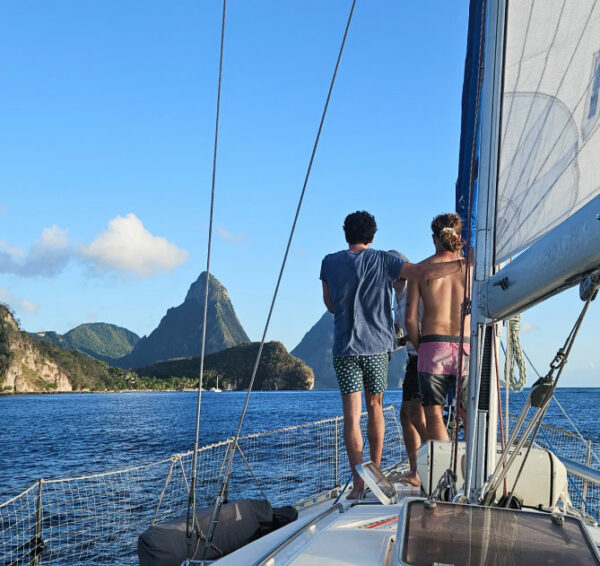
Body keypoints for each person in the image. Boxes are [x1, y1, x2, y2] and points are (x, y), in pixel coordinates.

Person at [320, 211, 466, 499]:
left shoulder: (329, 262)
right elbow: (422, 273)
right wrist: (462, 264)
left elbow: (330, 305)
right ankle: (376, 471)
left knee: (351, 416)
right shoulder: (384, 260)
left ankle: (358, 484)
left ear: (345, 234)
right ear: (372, 237)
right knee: (376, 407)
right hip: (377, 346)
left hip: (345, 348)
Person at [405, 212, 471, 444]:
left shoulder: (419, 270)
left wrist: (418, 345)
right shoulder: (471, 269)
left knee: (433, 415)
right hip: (466, 346)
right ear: (459, 236)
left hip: (432, 346)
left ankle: (444, 476)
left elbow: (410, 320)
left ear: (434, 238)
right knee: (467, 413)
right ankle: (472, 470)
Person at [388, 251, 426, 488]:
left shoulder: (415, 291)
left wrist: (401, 343)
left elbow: (422, 327)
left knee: (418, 415)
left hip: (424, 356)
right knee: (406, 415)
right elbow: (398, 328)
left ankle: (438, 458)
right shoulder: (395, 295)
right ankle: (416, 470)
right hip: (412, 360)